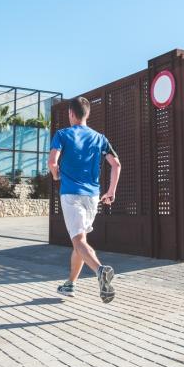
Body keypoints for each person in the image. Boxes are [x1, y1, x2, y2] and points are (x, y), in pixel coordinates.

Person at [48, 97, 121, 303]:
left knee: (78, 241)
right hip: (93, 197)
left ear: (71, 114)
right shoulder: (100, 138)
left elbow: (52, 162)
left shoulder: (62, 134)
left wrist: (56, 175)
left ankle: (100, 270)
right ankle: (70, 284)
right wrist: (111, 191)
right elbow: (116, 165)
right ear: (87, 114)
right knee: (80, 241)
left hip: (71, 194)